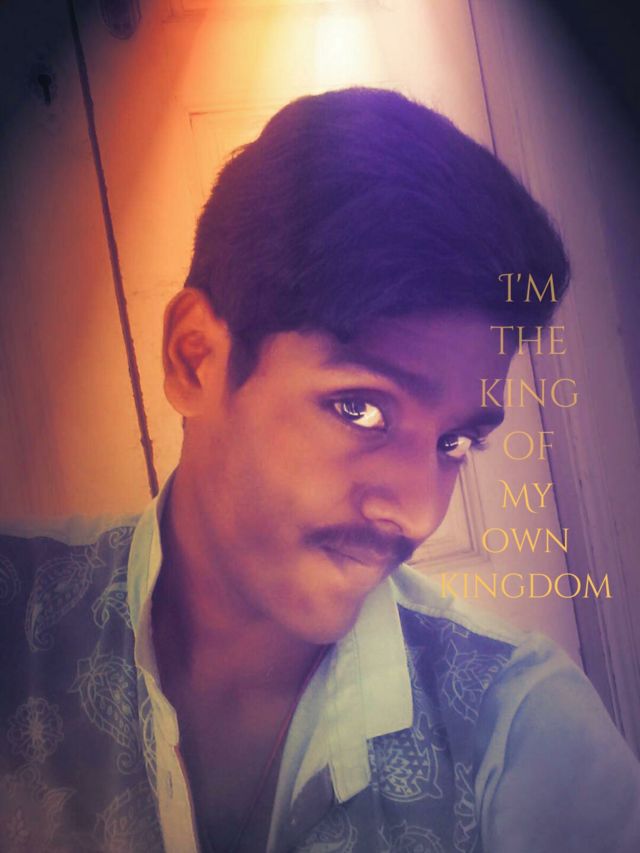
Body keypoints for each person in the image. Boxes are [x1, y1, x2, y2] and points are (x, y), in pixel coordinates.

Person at [0, 88, 638, 853]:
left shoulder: (523, 730)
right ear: (195, 359)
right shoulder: (17, 623)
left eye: (456, 442)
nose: (417, 513)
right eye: (360, 409)